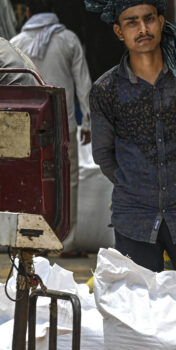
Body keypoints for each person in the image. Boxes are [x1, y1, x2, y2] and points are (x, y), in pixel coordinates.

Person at [85, 0, 176, 272]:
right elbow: (103, 154)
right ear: (119, 31)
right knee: (138, 307)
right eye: (132, 22)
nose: (142, 29)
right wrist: (136, 183)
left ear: (161, 22)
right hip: (134, 219)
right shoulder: (106, 89)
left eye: (149, 19)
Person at [12, 0, 93, 253]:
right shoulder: (68, 39)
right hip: (62, 124)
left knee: (27, 181)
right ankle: (65, 243)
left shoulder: (16, 44)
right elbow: (84, 83)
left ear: (27, 12)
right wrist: (88, 120)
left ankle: (27, 241)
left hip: (24, 128)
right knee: (67, 183)